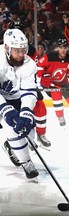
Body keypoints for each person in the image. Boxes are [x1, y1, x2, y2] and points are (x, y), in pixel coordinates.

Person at [0, 28, 39, 179]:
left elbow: (29, 92)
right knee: (11, 128)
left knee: (28, 132)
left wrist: (26, 112)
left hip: (16, 98)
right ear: (6, 48)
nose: (21, 54)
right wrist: (5, 109)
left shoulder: (29, 64)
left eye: (23, 50)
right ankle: (26, 162)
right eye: (17, 51)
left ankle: (12, 147)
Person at [8, 20, 52, 147]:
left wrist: (37, 82)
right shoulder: (4, 49)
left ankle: (41, 133)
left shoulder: (31, 50)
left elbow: (32, 70)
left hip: (26, 83)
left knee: (40, 106)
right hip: (9, 87)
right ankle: (11, 143)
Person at [37, 38, 69, 127]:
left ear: (67, 48)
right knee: (56, 97)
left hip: (64, 83)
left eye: (64, 47)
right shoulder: (49, 57)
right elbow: (39, 66)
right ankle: (60, 118)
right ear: (57, 48)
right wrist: (43, 78)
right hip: (51, 83)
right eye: (60, 47)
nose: (62, 50)